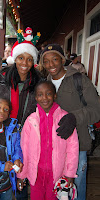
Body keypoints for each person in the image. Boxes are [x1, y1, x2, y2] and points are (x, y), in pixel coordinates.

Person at [0, 28, 76, 200]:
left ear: (33, 61)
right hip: (3, 134)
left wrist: (70, 117)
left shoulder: (39, 81)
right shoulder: (0, 77)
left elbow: (50, 103)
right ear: (15, 58)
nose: (24, 63)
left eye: (29, 59)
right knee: (2, 175)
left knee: (22, 176)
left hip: (27, 136)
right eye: (20, 58)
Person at [39, 43, 100, 200]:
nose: (51, 64)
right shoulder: (45, 83)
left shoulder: (79, 80)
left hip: (78, 146)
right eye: (46, 61)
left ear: (62, 59)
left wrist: (74, 117)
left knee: (76, 187)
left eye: (55, 59)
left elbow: (96, 110)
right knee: (57, 189)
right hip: (52, 148)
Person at [17, 80, 79, 200]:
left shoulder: (65, 119)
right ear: (35, 97)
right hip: (36, 175)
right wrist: (21, 174)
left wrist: (70, 173)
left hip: (57, 174)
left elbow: (73, 148)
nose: (44, 98)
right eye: (40, 94)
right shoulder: (30, 121)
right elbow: (24, 149)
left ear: (55, 95)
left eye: (48, 93)